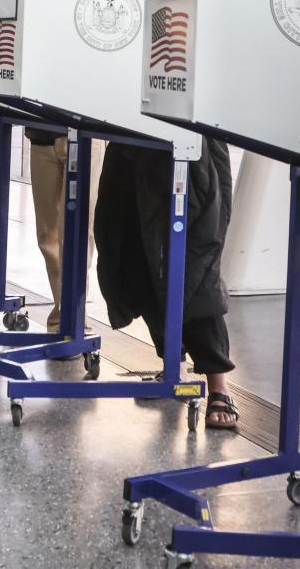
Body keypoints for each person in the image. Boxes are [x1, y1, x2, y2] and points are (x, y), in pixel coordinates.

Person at [95, 138, 239, 430]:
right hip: (132, 145)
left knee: (196, 269)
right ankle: (174, 366)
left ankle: (219, 387)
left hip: (192, 150)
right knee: (138, 262)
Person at [24, 128, 104, 333]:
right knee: (46, 234)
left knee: (77, 233)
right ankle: (63, 313)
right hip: (42, 137)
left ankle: (75, 316)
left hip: (86, 137)